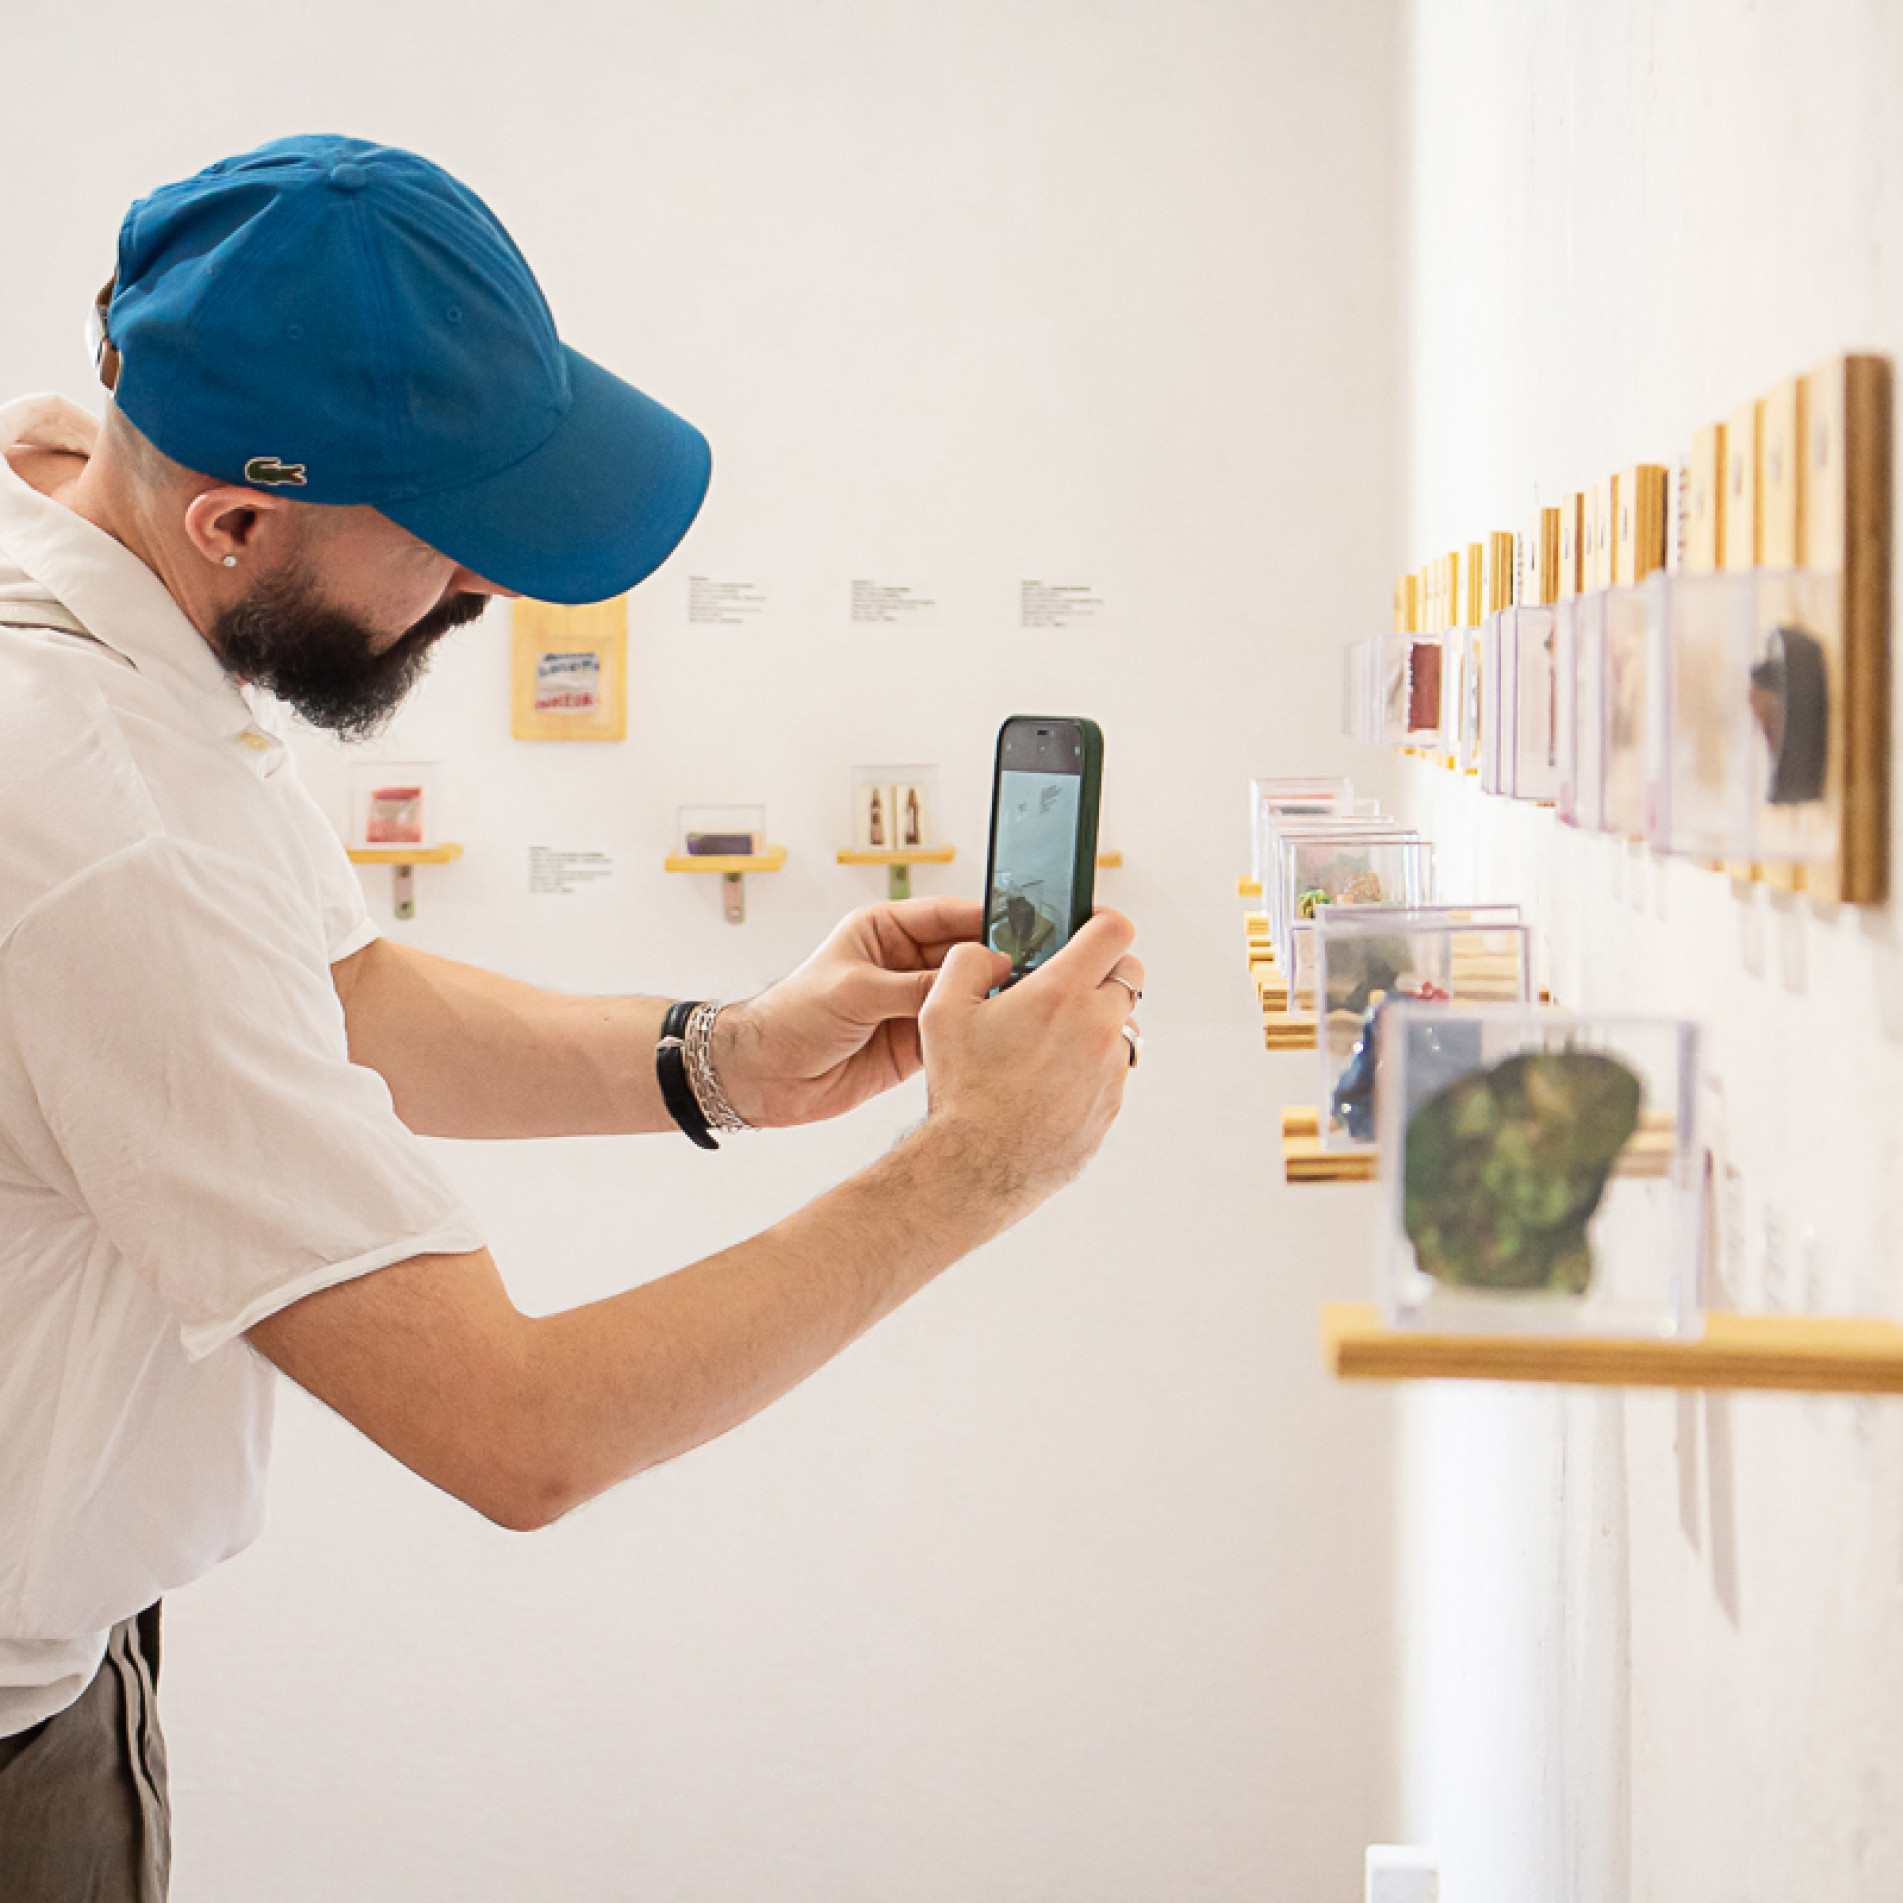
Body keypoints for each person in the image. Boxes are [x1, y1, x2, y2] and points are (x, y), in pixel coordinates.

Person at [0, 136, 1144, 1900]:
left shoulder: (89, 566)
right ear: (233, 518)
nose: (486, 591)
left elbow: (342, 991)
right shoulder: (101, 823)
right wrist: (973, 1172)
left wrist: (722, 1058)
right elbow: (517, 1433)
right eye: (452, 542)